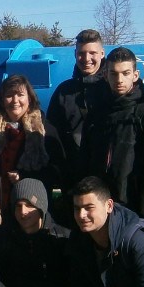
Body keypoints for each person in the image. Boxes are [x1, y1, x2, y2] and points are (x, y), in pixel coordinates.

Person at [81, 46, 144, 220]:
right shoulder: (95, 116)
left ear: (135, 75)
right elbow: (85, 164)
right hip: (99, 210)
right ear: (105, 75)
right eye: (113, 73)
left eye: (125, 73)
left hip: (133, 212)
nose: (119, 79)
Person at [0, 75, 63, 229]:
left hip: (32, 211)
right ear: (2, 101)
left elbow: (58, 171)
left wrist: (25, 177)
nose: (15, 100)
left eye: (20, 95)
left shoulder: (44, 131)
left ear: (29, 98)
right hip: (1, 211)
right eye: (9, 96)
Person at [47, 28, 112, 181]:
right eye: (81, 53)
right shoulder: (63, 92)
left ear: (102, 53)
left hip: (108, 178)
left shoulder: (113, 89)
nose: (86, 58)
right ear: (75, 55)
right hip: (73, 178)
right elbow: (52, 135)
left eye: (92, 53)